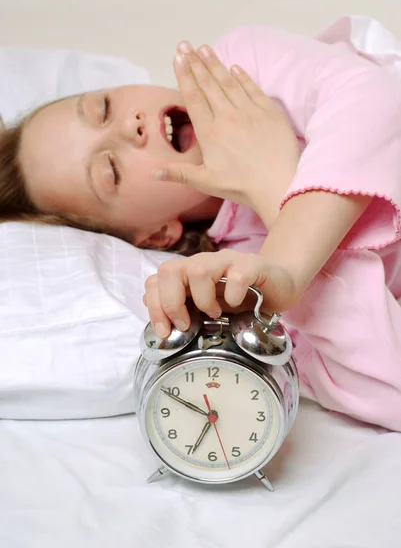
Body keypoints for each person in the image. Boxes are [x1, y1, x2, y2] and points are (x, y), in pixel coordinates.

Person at [1, 25, 401, 432]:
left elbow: (373, 99)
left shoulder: (241, 69)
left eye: (103, 107)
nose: (128, 127)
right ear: (157, 235)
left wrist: (276, 206)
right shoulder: (241, 280)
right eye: (111, 170)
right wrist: (279, 264)